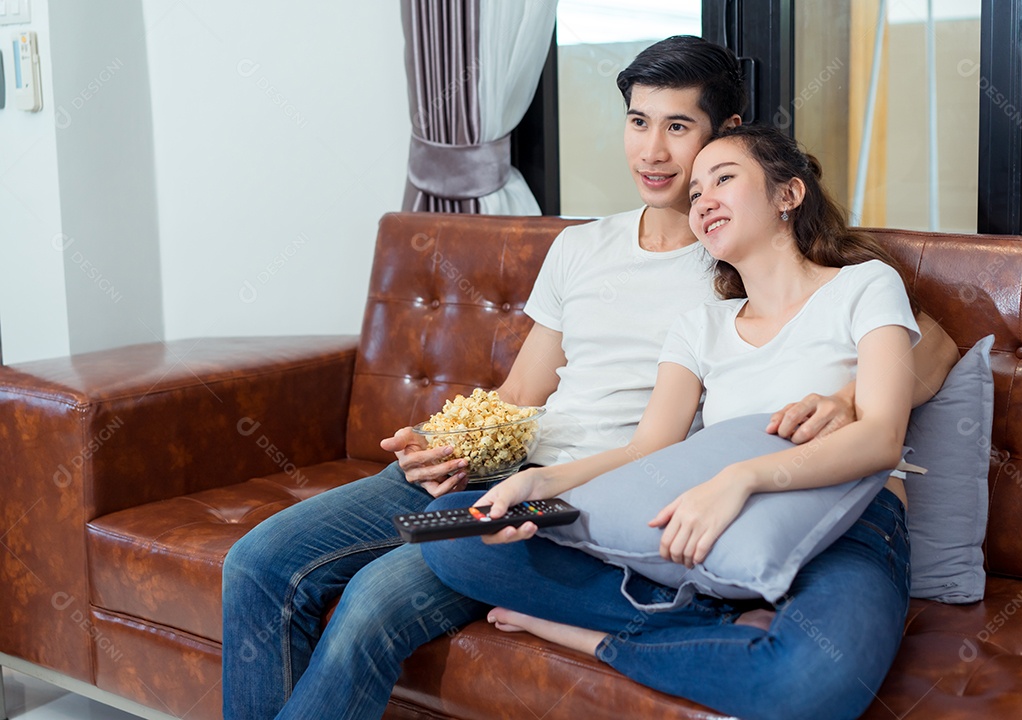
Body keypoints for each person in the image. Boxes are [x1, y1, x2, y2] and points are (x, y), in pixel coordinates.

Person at [221, 37, 955, 719]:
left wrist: (846, 399)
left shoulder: (744, 260)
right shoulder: (588, 250)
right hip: (513, 467)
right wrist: (445, 444)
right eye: (639, 123)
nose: (655, 152)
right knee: (257, 562)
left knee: (368, 609)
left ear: (727, 133)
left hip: (605, 492)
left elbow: (931, 347)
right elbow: (519, 396)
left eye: (679, 129)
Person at [422, 124, 929, 720]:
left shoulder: (865, 286)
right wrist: (544, 484)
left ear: (789, 194)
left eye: (724, 179)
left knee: (810, 685)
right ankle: (714, 616)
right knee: (452, 532)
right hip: (710, 538)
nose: (703, 199)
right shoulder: (700, 326)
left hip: (850, 527)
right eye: (694, 193)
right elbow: (647, 449)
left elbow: (879, 435)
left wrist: (742, 477)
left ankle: (601, 637)